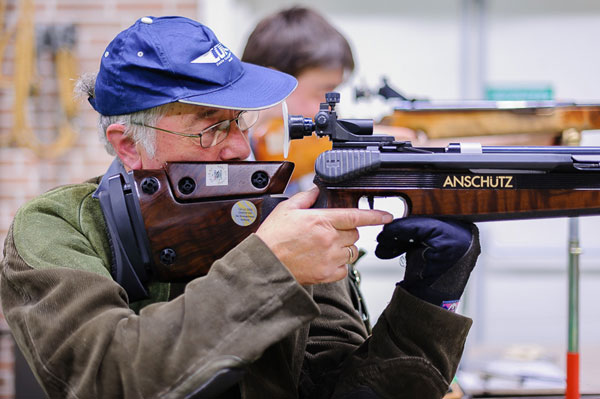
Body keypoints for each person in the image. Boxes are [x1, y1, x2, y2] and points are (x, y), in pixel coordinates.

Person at [0, 16, 480, 399]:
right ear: (127, 146)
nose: (237, 149)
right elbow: (111, 380)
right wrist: (271, 266)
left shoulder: (275, 216)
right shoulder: (59, 228)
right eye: (209, 128)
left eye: (239, 122)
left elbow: (344, 388)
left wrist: (430, 293)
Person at [241, 7, 415, 193]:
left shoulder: (292, 152)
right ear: (273, 83)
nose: (330, 110)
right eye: (322, 92)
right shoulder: (228, 158)